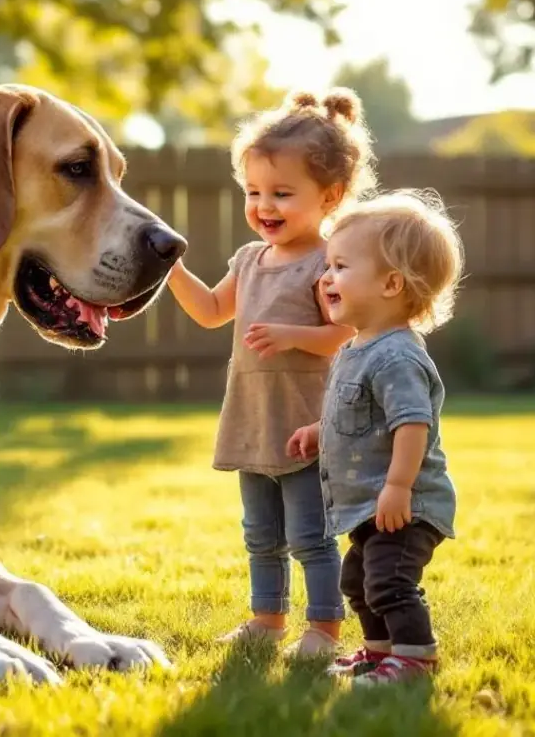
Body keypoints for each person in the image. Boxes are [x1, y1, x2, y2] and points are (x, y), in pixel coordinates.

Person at [168, 88, 375, 657]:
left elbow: (343, 335)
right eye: (255, 192)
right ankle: (267, 620)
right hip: (252, 417)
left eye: (282, 193)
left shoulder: (326, 263)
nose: (265, 206)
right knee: (260, 535)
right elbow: (212, 312)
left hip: (305, 423)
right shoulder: (249, 260)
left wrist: (291, 336)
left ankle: (324, 629)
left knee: (310, 536)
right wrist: (173, 271)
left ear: (329, 195)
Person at [286, 188, 464, 684]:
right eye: (328, 266)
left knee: (388, 580)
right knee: (358, 581)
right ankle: (378, 650)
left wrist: (399, 486)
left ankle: (415, 657)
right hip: (371, 505)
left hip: (404, 507)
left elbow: (412, 423)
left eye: (341, 267)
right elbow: (361, 413)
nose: (326, 277)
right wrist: (320, 432)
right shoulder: (359, 346)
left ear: (390, 284)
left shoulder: (397, 355)